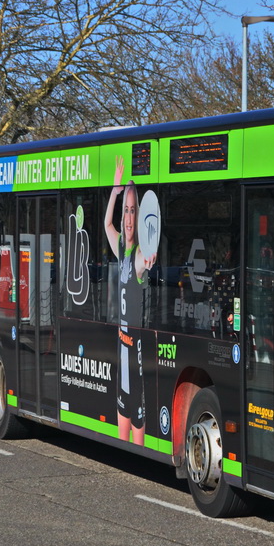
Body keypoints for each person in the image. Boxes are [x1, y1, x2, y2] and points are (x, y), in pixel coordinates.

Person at [104, 156, 155, 445]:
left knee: (138, 427)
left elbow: (144, 260)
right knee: (121, 419)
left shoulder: (137, 255)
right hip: (120, 349)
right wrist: (115, 192)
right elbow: (106, 223)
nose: (128, 217)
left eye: (133, 211)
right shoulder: (120, 248)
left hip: (135, 354)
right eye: (126, 210)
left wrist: (148, 259)